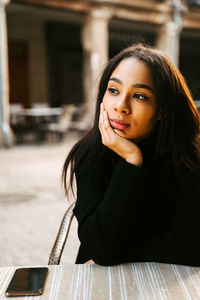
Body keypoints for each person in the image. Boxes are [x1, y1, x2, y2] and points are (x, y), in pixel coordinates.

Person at [62, 43, 200, 266]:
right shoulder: (90, 155)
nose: (121, 106)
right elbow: (100, 246)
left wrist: (123, 251)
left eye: (139, 96)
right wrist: (131, 162)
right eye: (113, 90)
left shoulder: (187, 155)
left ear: (162, 109)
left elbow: (194, 245)